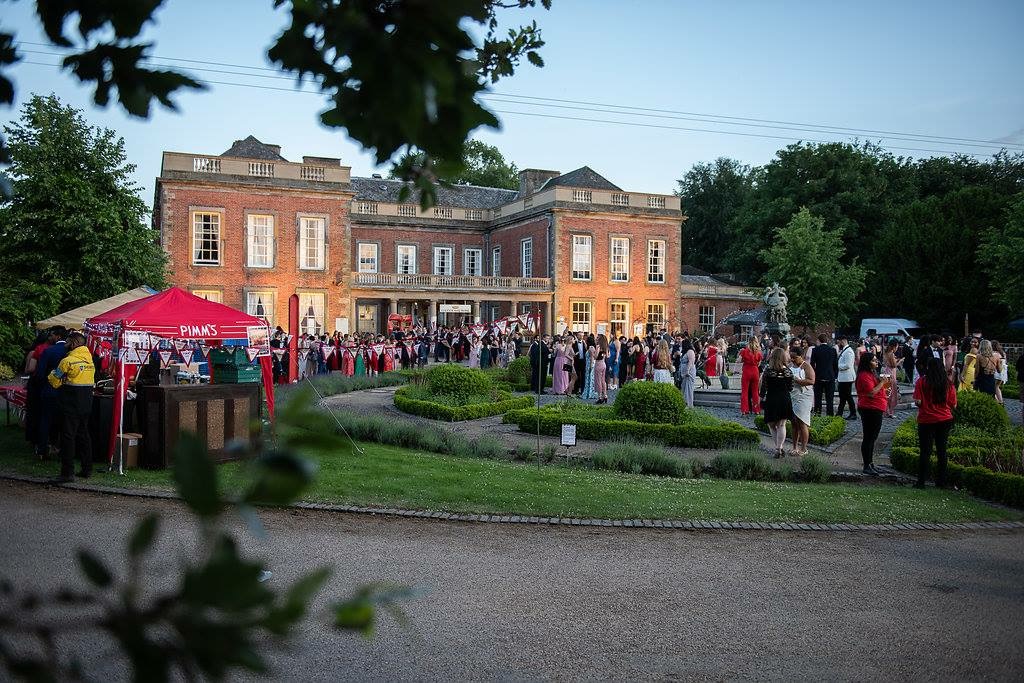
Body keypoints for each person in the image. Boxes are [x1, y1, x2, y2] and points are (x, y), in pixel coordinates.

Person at [47, 332, 95, 482]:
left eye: (67, 342)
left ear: (73, 343)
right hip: (86, 405)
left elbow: (55, 382)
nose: (65, 344)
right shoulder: (90, 361)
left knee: (68, 437)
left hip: (70, 404)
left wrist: (52, 374)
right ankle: (87, 469)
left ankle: (67, 473)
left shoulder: (67, 361)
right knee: (84, 436)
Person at [914, 357, 957, 488]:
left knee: (925, 452)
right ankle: (941, 482)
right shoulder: (948, 384)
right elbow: (953, 404)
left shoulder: (922, 381)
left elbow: (918, 402)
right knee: (942, 451)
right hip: (944, 419)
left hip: (926, 419)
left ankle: (921, 482)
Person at [856, 351, 891, 476]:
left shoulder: (872, 373)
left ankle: (870, 464)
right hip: (870, 408)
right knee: (869, 437)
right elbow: (871, 392)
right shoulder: (864, 375)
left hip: (876, 408)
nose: (876, 362)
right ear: (867, 362)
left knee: (872, 437)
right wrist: (882, 383)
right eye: (874, 360)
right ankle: (867, 464)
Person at [760, 348, 794, 458]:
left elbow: (763, 387)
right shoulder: (788, 371)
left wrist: (760, 399)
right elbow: (790, 388)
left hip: (772, 398)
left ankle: (778, 448)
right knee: (781, 424)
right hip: (784, 398)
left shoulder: (768, 371)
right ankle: (779, 448)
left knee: (771, 425)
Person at [788, 343, 815, 456]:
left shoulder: (806, 366)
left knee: (803, 422)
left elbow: (811, 381)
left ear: (801, 356)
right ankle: (794, 447)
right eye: (791, 357)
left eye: (795, 357)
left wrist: (797, 380)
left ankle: (804, 448)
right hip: (793, 395)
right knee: (794, 423)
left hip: (804, 396)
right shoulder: (790, 366)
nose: (793, 359)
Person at [809, 334, 838, 417]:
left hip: (818, 376)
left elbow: (812, 364)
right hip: (830, 376)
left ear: (819, 340)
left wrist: (814, 374)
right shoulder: (832, 350)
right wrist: (835, 375)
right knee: (830, 399)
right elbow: (835, 364)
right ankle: (830, 417)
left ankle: (817, 415)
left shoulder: (815, 350)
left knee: (818, 399)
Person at [835, 335, 857, 420]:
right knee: (843, 396)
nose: (839, 343)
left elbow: (848, 365)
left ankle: (853, 413)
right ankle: (840, 413)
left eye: (840, 341)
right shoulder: (845, 350)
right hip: (844, 377)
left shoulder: (849, 351)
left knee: (847, 396)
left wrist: (838, 366)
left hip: (847, 378)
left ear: (843, 340)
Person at [738, 337, 762, 415]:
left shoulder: (744, 351)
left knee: (745, 391)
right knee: (755, 392)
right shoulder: (758, 352)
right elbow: (759, 364)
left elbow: (739, 361)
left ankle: (745, 410)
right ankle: (757, 410)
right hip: (755, 371)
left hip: (747, 370)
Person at [883, 340, 901, 418]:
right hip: (891, 374)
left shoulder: (885, 353)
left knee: (887, 394)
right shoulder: (891, 354)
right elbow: (894, 365)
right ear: (894, 346)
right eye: (897, 347)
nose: (897, 348)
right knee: (892, 394)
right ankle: (890, 412)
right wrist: (900, 361)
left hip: (886, 373)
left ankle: (886, 411)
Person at [677, 338, 697, 408]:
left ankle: (689, 404)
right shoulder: (685, 352)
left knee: (688, 387)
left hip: (689, 372)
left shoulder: (690, 351)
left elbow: (690, 361)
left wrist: (687, 371)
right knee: (684, 386)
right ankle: (685, 402)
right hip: (684, 372)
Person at [593, 334, 609, 403]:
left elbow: (595, 357)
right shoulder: (606, 347)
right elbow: (608, 356)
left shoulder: (598, 346)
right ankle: (605, 395)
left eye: (597, 338)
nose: (596, 339)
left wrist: (592, 353)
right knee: (603, 381)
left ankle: (599, 397)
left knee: (598, 381)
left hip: (598, 364)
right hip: (603, 364)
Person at [991, 340, 1006, 404]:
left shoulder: (993, 354)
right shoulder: (1002, 353)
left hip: (996, 372)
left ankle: (997, 403)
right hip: (1002, 373)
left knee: (992, 388)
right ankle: (1001, 401)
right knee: (997, 387)